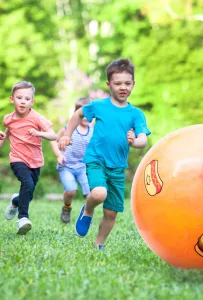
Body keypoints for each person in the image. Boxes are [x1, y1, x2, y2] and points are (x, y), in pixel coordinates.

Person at [58, 58, 151, 250]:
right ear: (109, 84)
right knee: (99, 193)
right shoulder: (99, 105)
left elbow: (143, 139)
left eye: (127, 83)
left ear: (133, 84)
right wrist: (67, 135)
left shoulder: (136, 113)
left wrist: (135, 142)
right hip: (96, 160)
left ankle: (99, 244)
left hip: (117, 167)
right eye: (117, 83)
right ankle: (88, 209)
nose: (123, 87)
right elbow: (78, 115)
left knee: (111, 214)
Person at [0, 81, 56, 235]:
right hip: (17, 158)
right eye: (19, 98)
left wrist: (39, 134)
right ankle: (23, 218)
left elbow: (53, 135)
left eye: (26, 98)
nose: (23, 101)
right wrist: (3, 137)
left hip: (35, 160)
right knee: (27, 183)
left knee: (28, 193)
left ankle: (15, 201)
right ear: (12, 99)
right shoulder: (8, 118)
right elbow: (9, 129)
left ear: (32, 101)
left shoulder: (37, 118)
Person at [50, 98, 93, 223]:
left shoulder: (93, 131)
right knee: (71, 190)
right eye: (83, 114)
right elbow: (54, 140)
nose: (86, 117)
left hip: (83, 166)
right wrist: (59, 154)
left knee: (89, 192)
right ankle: (67, 207)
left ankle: (86, 214)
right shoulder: (68, 129)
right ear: (76, 114)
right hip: (66, 166)